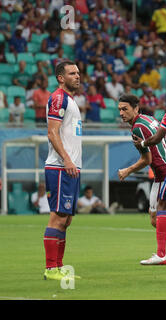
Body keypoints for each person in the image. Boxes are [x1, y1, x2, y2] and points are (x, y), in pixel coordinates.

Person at [118, 93, 166, 266]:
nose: (122, 113)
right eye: (120, 110)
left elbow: (147, 160)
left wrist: (127, 171)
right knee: (160, 214)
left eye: (125, 109)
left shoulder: (137, 128)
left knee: (157, 216)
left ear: (136, 108)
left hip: (162, 173)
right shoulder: (148, 119)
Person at [43, 60, 82, 281]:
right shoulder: (58, 98)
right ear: (61, 77)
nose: (77, 76)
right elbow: (52, 133)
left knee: (66, 219)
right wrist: (67, 160)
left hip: (70, 167)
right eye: (72, 73)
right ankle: (50, 269)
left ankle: (58, 267)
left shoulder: (70, 100)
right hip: (60, 167)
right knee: (58, 217)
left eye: (78, 73)